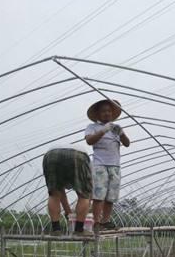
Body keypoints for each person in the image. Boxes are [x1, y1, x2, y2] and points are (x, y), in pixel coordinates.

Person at [85, 99, 130, 231]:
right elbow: (89, 141)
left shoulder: (115, 129)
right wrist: (103, 131)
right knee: (99, 195)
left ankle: (105, 221)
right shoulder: (92, 127)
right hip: (100, 165)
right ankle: (96, 222)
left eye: (109, 111)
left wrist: (121, 134)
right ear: (98, 114)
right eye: (103, 111)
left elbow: (127, 143)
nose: (107, 113)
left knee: (111, 196)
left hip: (115, 166)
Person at [42, 146, 93, 237]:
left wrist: (68, 212)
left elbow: (60, 192)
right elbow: (88, 195)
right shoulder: (92, 169)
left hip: (51, 155)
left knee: (54, 194)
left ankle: (56, 229)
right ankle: (79, 229)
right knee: (84, 195)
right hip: (78, 155)